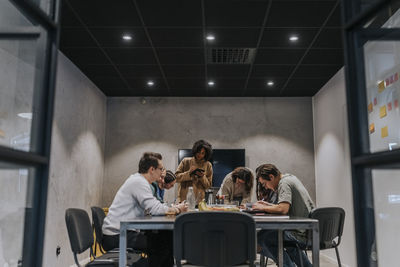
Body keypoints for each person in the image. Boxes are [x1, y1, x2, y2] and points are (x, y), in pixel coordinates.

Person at [102, 152, 187, 267]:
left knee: (166, 237)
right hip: (116, 236)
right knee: (161, 246)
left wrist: (174, 208)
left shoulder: (140, 181)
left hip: (123, 232)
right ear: (152, 169)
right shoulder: (139, 182)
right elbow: (156, 209)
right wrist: (178, 209)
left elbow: (153, 206)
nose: (162, 172)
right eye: (160, 169)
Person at [253, 164, 315, 267]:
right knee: (285, 243)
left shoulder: (284, 183)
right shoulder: (291, 178)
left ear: (271, 177)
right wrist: (269, 205)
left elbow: (283, 209)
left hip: (300, 232)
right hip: (307, 229)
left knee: (263, 237)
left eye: (264, 184)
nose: (266, 187)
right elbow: (284, 205)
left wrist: (262, 208)